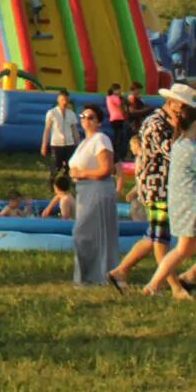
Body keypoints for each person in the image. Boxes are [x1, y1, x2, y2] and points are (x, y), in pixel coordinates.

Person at [109, 84, 196, 293]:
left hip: (165, 185)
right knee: (161, 237)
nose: (184, 112)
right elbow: (173, 153)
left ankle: (120, 271)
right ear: (173, 104)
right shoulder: (156, 123)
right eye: (183, 107)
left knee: (153, 236)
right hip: (156, 186)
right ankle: (172, 286)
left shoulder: (168, 122)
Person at [142, 110, 196, 298]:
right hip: (189, 204)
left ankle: (164, 283)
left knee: (187, 248)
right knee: (183, 248)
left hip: (179, 202)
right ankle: (155, 283)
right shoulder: (193, 149)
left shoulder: (179, 144)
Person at [68, 104, 119, 286]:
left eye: (91, 117)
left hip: (97, 189)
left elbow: (106, 169)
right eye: (83, 116)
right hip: (84, 190)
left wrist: (81, 174)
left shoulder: (101, 139)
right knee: (85, 233)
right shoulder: (84, 142)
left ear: (98, 122)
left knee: (84, 233)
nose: (86, 120)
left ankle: (99, 274)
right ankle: (86, 276)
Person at [40, 90, 79, 176]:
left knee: (69, 166)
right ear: (58, 100)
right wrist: (44, 145)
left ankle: (65, 183)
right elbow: (47, 129)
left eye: (66, 100)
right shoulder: (52, 113)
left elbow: (75, 130)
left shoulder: (71, 114)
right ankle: (53, 182)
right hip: (56, 144)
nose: (65, 102)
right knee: (56, 166)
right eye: (63, 100)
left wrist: (77, 143)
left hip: (69, 143)